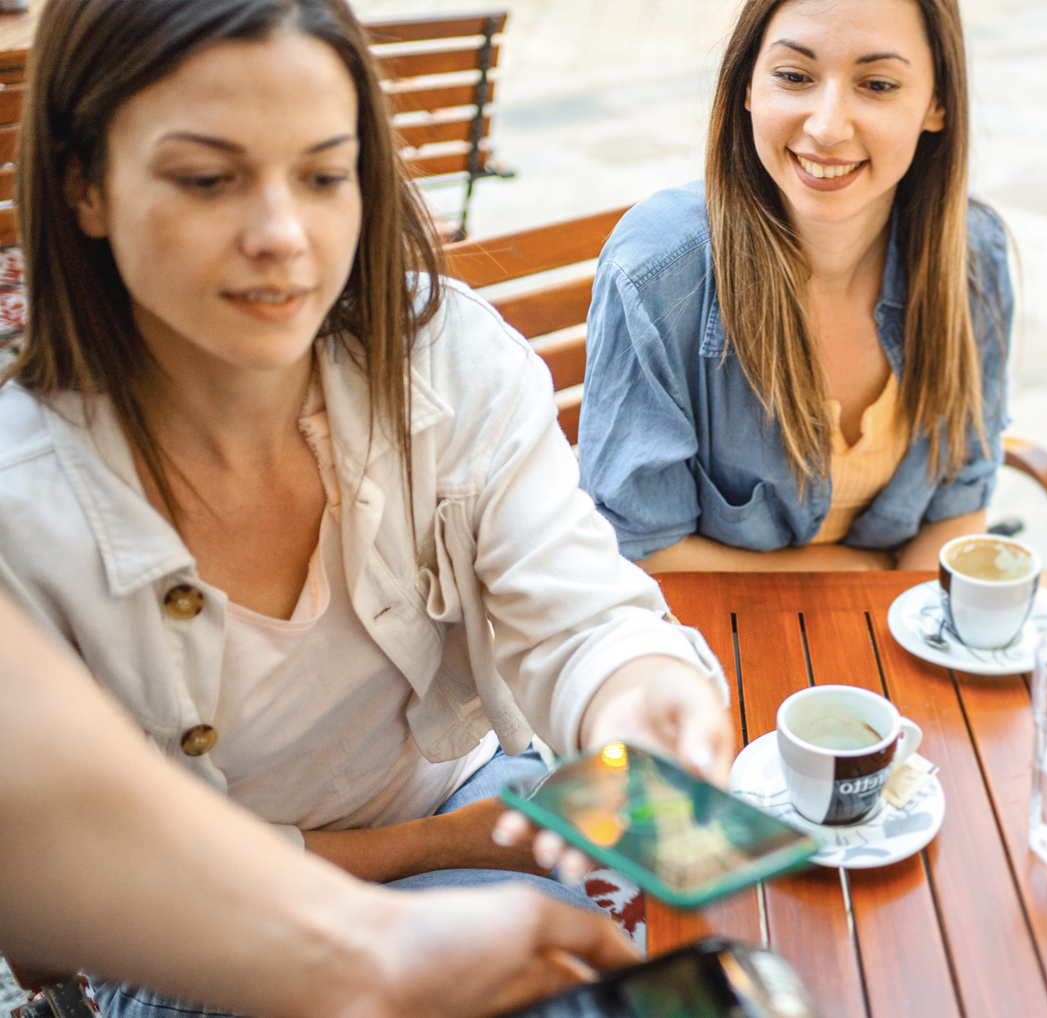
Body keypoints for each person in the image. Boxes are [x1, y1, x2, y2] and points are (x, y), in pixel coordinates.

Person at [0, 0, 735, 1011]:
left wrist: (635, 686)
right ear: (83, 184)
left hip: (478, 806)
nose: (281, 235)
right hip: (204, 929)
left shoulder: (447, 360)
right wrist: (423, 862)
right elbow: (53, 900)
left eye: (323, 174)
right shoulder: (21, 511)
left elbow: (576, 605)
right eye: (209, 178)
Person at [0, 596, 640, 1018]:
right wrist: (451, 844)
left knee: (643, 927)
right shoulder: (35, 538)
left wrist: (629, 689)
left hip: (468, 786)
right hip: (217, 914)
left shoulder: (419, 412)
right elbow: (44, 943)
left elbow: (565, 594)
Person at [577, 0, 1014, 573]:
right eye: (794, 76)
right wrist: (860, 575)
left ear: (937, 103)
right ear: (748, 87)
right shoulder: (659, 273)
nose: (828, 127)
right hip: (711, 646)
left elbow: (957, 508)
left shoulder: (972, 255)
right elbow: (644, 552)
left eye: (878, 84)